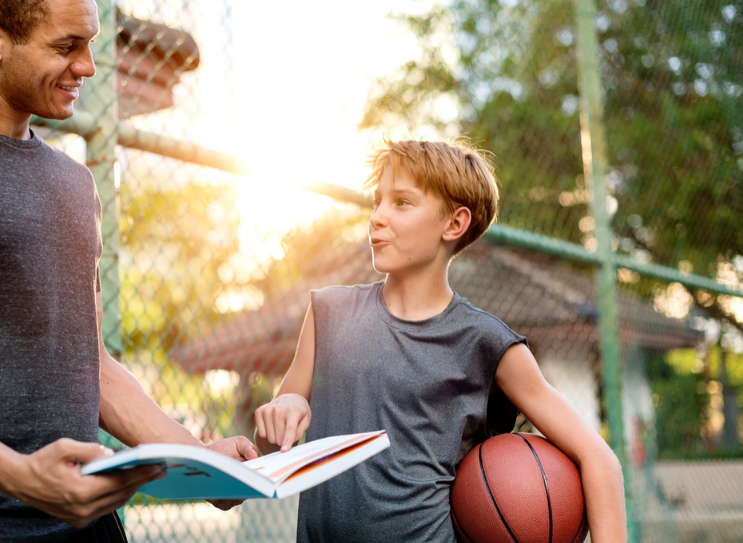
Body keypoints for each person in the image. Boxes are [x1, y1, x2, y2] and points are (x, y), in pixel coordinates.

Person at [0, 0, 256, 541]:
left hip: (87, 526)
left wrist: (200, 458)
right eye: (66, 46)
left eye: (90, 44)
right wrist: (16, 474)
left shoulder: (74, 181)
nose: (86, 66)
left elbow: (95, 366)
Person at [253, 139, 627, 542]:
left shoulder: (487, 343)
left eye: (401, 203)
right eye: (377, 201)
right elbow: (270, 449)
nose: (377, 217)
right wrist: (282, 409)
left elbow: (599, 460)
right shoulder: (328, 313)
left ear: (454, 224)